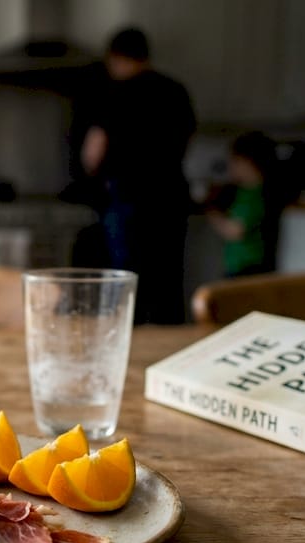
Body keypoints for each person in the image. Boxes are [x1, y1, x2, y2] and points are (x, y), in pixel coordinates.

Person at [72, 27, 196, 324]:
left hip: (128, 200)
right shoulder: (175, 91)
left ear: (115, 58)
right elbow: (187, 141)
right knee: (168, 280)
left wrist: (89, 174)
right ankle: (170, 342)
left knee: (128, 285)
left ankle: (132, 340)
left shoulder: (115, 93)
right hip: (170, 198)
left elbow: (93, 151)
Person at [206, 132, 284, 277]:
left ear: (248, 162)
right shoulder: (244, 192)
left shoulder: (257, 196)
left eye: (235, 161)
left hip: (249, 267)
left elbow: (235, 231)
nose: (231, 166)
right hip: (240, 264)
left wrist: (213, 214)